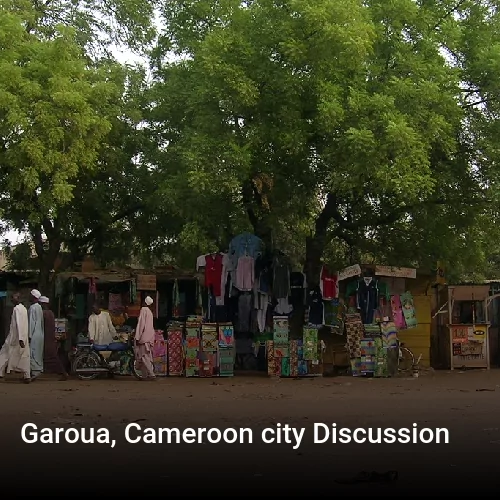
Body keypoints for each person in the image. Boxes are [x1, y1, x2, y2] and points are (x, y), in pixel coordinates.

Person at [0, 293, 31, 383]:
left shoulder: (17, 309)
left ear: (18, 299)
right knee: (24, 356)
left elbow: (19, 324)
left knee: (4, 354)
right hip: (22, 337)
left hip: (15, 337)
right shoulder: (24, 309)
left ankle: (0, 373)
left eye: (13, 298)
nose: (11, 299)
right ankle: (27, 375)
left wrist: (20, 338)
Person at [40, 296, 68, 381]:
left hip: (47, 339)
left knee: (52, 358)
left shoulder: (44, 313)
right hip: (50, 338)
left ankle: (63, 373)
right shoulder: (50, 313)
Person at [134, 296, 156, 381]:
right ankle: (144, 375)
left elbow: (141, 325)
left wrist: (137, 336)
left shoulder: (144, 310)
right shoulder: (149, 312)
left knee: (144, 356)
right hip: (149, 336)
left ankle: (151, 373)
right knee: (144, 356)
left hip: (144, 337)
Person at [29, 289, 44, 380]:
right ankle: (36, 370)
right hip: (40, 333)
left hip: (34, 333)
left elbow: (31, 323)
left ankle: (35, 371)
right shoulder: (39, 307)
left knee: (33, 353)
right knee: (38, 353)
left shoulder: (33, 308)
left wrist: (29, 335)